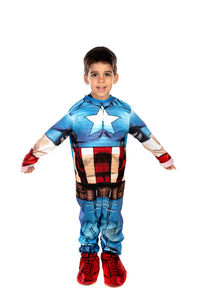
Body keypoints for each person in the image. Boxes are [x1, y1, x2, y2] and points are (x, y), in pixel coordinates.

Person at [21, 46, 176, 287]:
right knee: (89, 218)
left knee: (113, 217)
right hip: (86, 181)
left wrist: (163, 157)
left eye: (106, 74)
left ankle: (112, 255)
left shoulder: (125, 112)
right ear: (86, 78)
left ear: (115, 77)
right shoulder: (76, 113)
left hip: (115, 180)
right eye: (95, 74)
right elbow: (53, 135)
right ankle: (89, 255)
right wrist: (32, 157)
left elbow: (145, 134)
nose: (101, 80)